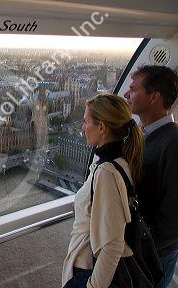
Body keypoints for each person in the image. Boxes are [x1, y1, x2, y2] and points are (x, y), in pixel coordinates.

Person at [62, 93, 144, 288]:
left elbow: (112, 245)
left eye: (85, 121)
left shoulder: (107, 172)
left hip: (87, 271)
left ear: (102, 127)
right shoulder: (119, 161)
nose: (83, 128)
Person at [123, 65, 178, 288]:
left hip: (152, 258)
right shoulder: (140, 134)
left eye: (133, 89)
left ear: (154, 97)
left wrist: (137, 246)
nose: (126, 94)